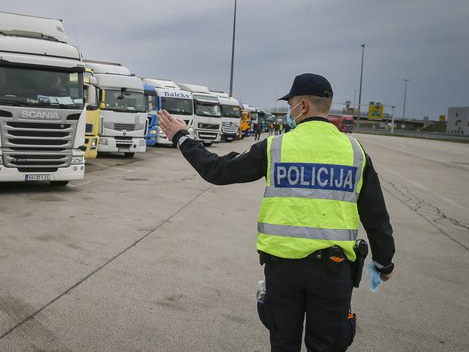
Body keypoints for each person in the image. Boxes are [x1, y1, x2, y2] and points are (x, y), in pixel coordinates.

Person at [157, 73, 395, 352]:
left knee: (283, 344)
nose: (289, 110)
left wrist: (182, 137)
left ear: (303, 106)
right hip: (333, 270)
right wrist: (384, 262)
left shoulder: (274, 147)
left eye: (291, 103)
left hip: (283, 270)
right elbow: (376, 215)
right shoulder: (355, 152)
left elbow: (217, 171)